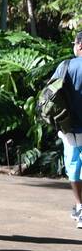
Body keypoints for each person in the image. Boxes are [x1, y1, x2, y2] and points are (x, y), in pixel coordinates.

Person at [51, 28, 82, 227]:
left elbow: (50, 94)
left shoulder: (67, 66)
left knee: (74, 168)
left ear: (80, 45)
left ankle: (80, 207)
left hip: (70, 127)